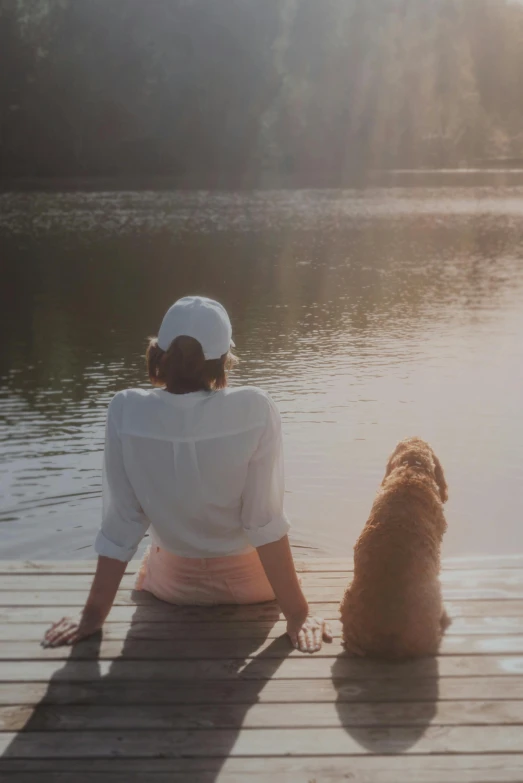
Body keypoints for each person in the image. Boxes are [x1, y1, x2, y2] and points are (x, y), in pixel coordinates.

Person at [43, 296, 331, 653]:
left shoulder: (126, 410)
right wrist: (298, 614)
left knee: (153, 554)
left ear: (160, 354)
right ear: (223, 360)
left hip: (172, 589)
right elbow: (264, 521)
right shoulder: (255, 408)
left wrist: (93, 615)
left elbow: (123, 523)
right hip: (251, 589)